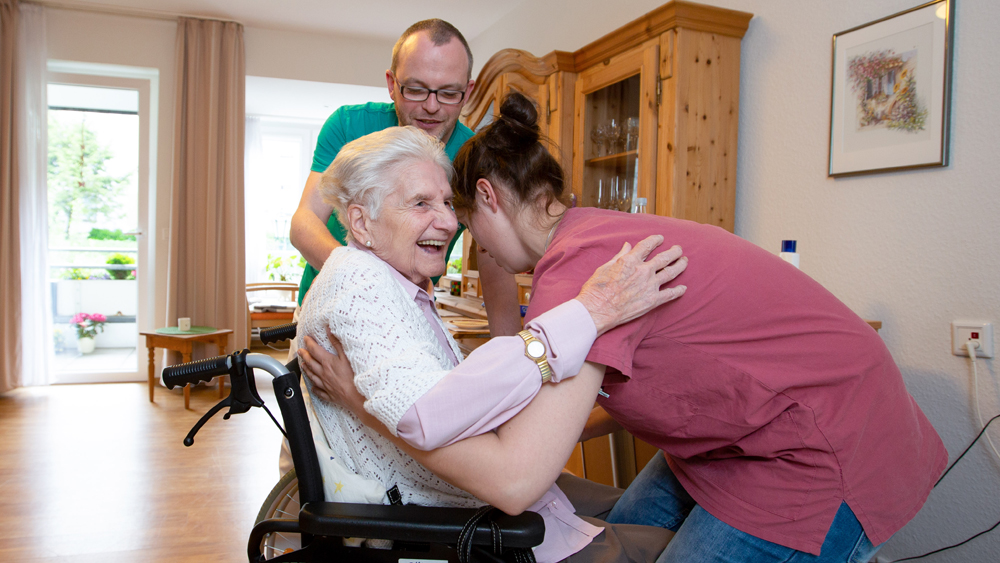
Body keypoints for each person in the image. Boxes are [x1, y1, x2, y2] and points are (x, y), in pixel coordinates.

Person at [304, 92, 948, 563]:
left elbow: (517, 473)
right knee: (623, 527)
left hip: (819, 444)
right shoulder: (588, 248)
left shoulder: (586, 280)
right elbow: (563, 408)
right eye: (425, 205)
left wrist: (371, 404)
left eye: (459, 214)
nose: (464, 239)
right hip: (736, 439)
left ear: (491, 200)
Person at [298, 124, 687, 563]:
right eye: (421, 203)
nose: (448, 221)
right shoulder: (359, 279)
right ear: (360, 222)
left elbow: (455, 401)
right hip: (460, 520)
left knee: (657, 513)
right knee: (674, 546)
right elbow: (424, 412)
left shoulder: (398, 284)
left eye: (447, 203)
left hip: (471, 497)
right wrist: (590, 312)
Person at [289, 18, 522, 338]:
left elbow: (494, 264)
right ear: (391, 83)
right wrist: (364, 283)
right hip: (328, 307)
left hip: (406, 318)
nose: (431, 106)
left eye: (449, 93)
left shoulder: (479, 159)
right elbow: (304, 222)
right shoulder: (347, 125)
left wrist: (511, 360)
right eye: (415, 89)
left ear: (467, 92)